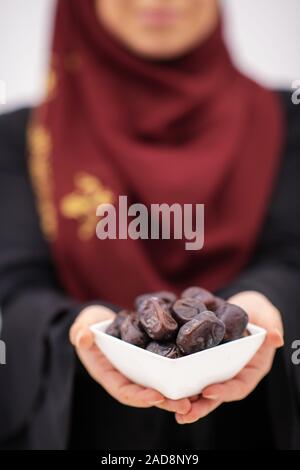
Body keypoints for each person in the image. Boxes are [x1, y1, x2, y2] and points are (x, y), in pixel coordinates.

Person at [0, 0, 299, 450]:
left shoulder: (287, 121)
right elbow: (11, 288)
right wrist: (78, 329)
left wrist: (262, 306)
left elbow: (293, 256)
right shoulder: (18, 138)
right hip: (78, 422)